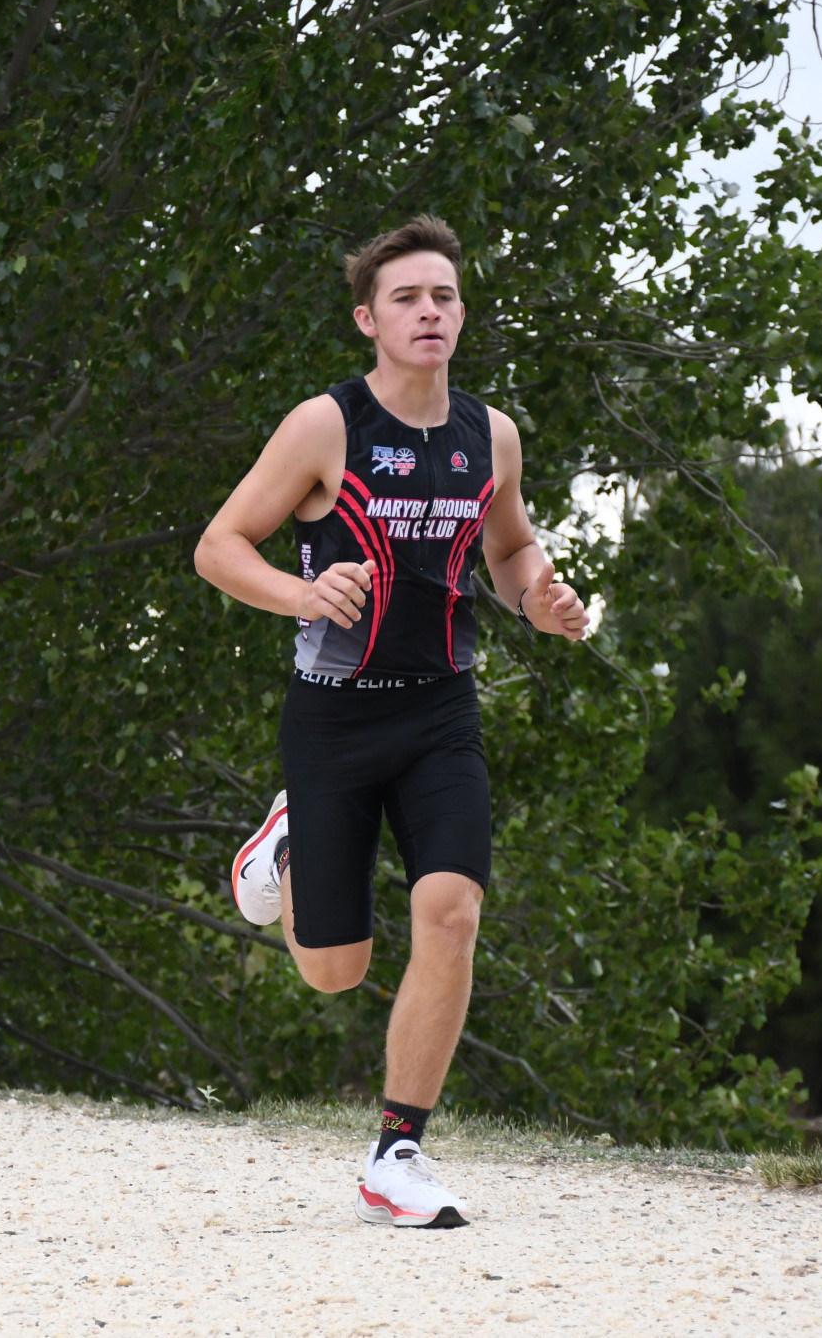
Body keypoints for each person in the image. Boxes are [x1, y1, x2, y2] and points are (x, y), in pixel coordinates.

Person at [194, 216, 588, 1226]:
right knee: (333, 973)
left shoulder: (489, 435)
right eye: (407, 299)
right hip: (330, 722)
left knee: (451, 910)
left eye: (444, 297)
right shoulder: (325, 426)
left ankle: (396, 1153)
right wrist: (299, 595)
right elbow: (219, 545)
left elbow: (506, 555)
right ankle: (284, 839)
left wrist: (538, 595)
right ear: (368, 319)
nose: (428, 312)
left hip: (439, 714)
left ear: (461, 315)